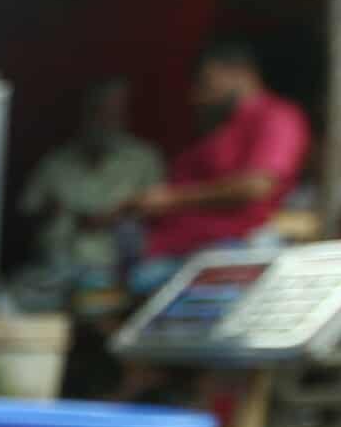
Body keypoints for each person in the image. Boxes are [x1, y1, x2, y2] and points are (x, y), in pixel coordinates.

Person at [126, 40, 310, 294]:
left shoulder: (277, 117)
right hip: (171, 254)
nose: (198, 95)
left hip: (227, 254)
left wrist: (172, 198)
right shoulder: (220, 127)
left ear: (239, 73)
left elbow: (256, 187)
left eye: (207, 81)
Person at [15, 78, 163, 312]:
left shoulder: (144, 160)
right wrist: (51, 213)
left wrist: (117, 216)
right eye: (98, 111)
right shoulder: (56, 163)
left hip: (121, 273)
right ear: (84, 114)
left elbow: (161, 217)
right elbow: (26, 215)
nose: (104, 121)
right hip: (57, 271)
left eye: (112, 113)